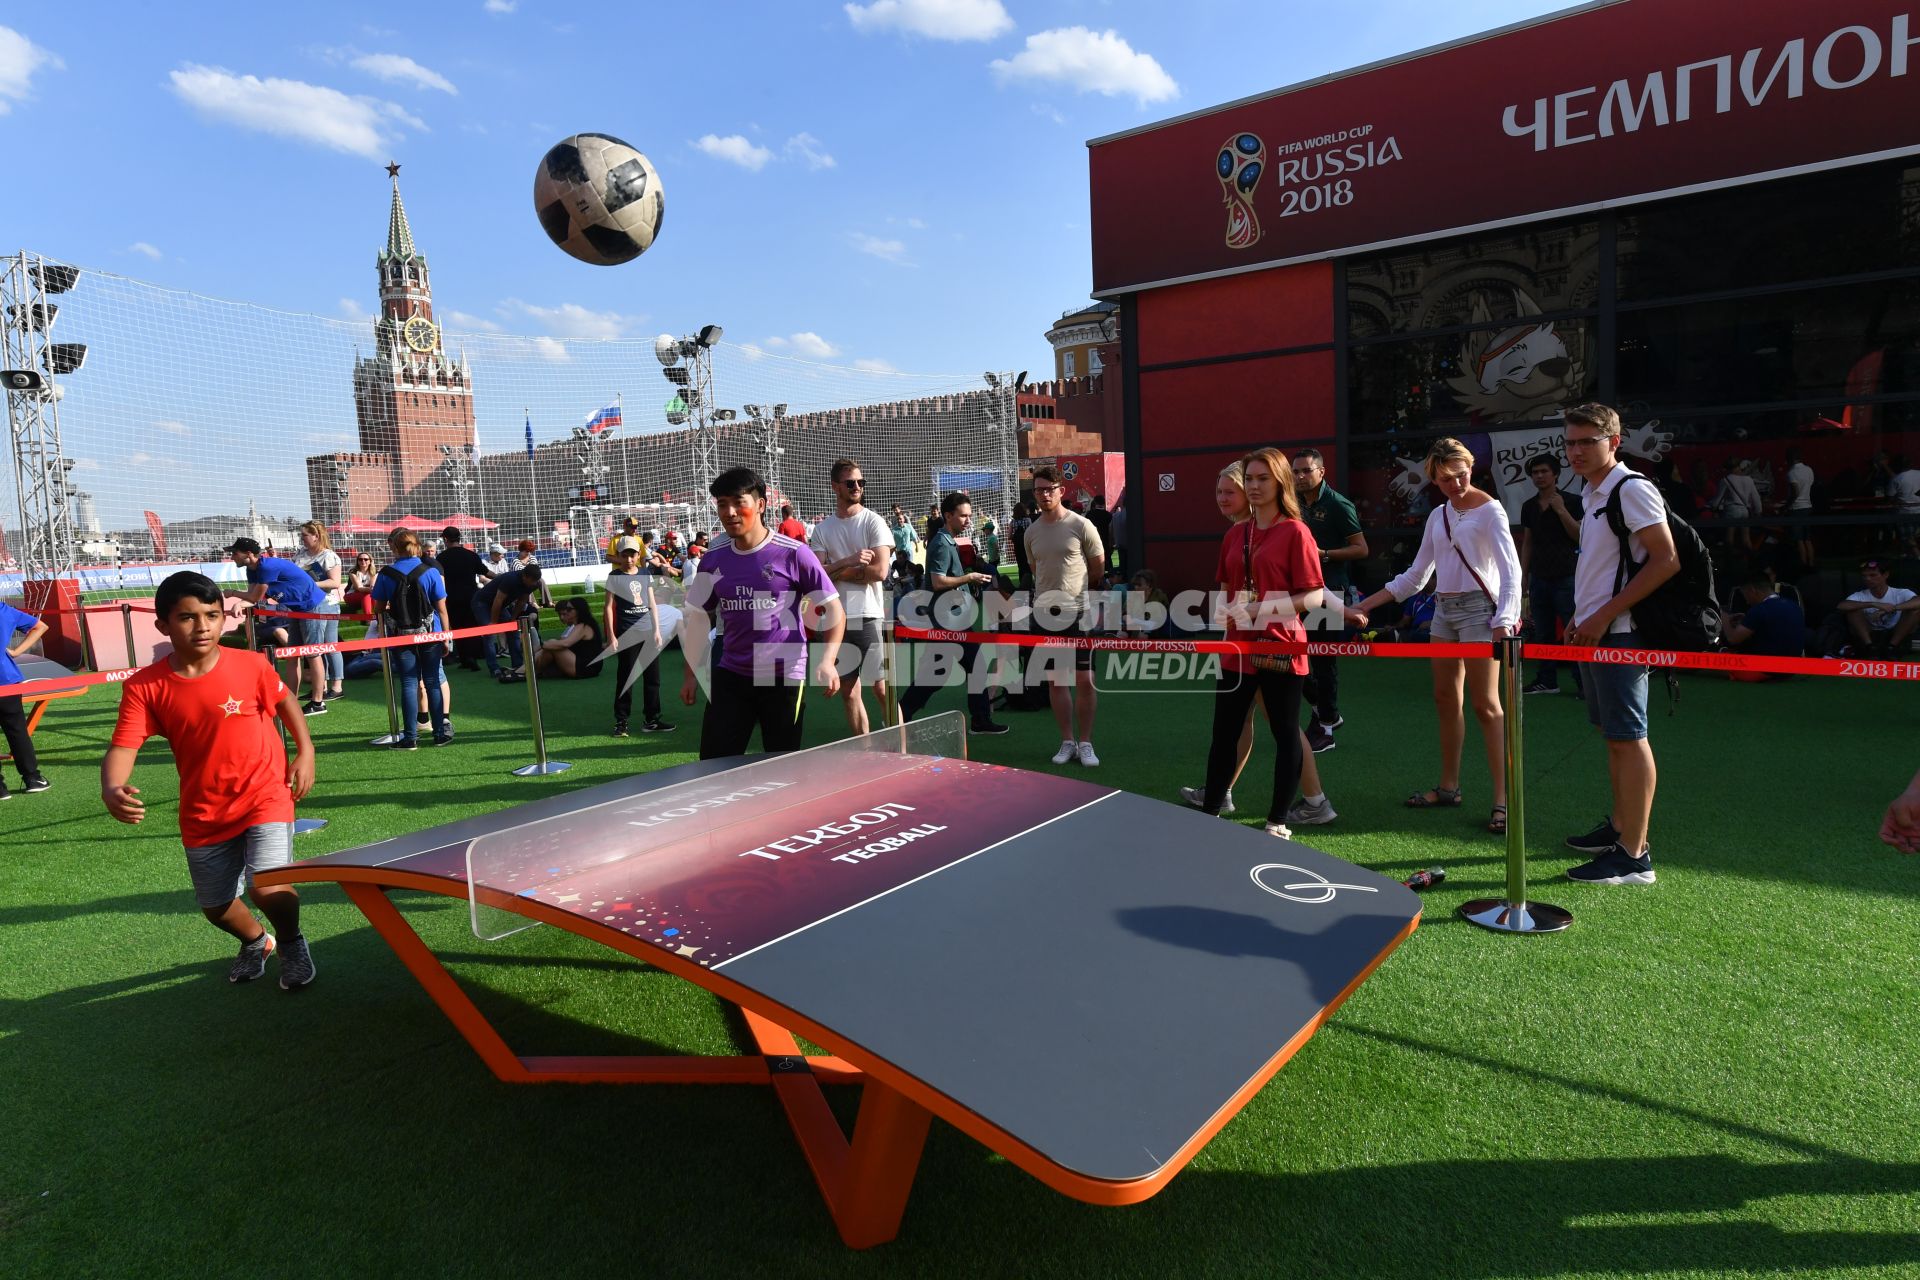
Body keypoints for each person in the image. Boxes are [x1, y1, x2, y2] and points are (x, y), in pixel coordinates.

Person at [101, 571, 317, 988]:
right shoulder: (144, 687)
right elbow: (124, 746)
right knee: (216, 906)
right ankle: (257, 941)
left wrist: (305, 752)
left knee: (267, 887)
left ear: (224, 619)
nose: (202, 626)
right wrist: (112, 786)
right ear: (163, 625)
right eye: (187, 617)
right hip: (204, 810)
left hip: (265, 795)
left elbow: (286, 699)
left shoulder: (251, 664)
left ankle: (291, 942)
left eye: (212, 615)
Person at [1352, 438, 1521, 836]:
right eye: (1445, 478)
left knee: (1487, 706)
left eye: (1460, 474)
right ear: (1434, 479)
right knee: (1446, 700)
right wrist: (1367, 605)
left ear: (1471, 466)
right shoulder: (1438, 516)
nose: (1455, 483)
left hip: (1482, 611)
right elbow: (1416, 576)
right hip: (1444, 611)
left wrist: (1505, 618)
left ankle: (1504, 800)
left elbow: (1511, 570)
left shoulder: (1491, 510)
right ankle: (1449, 787)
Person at [1559, 402, 1681, 886]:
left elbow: (1665, 559)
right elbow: (1602, 568)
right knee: (1614, 735)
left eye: (1587, 441)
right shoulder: (1593, 494)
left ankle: (1634, 855)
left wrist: (1605, 615)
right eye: (1570, 442)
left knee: (1630, 737)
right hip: (1599, 631)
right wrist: (1578, 615)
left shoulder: (1631, 489)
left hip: (1622, 633)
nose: (1576, 451)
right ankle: (1621, 827)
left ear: (1614, 441)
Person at [1179, 461, 1338, 826]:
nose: (1254, 485)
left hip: (1281, 644)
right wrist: (1224, 612)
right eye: (1249, 478)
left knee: (1285, 734)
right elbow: (1225, 586)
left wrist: (1261, 607)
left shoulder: (1296, 532)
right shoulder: (1236, 534)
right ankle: (1211, 811)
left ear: (1280, 481)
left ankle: (1277, 822)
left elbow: (1313, 596)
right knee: (1224, 734)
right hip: (1237, 647)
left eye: (1262, 478)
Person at [681, 467, 844, 758]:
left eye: (738, 502)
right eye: (722, 504)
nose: (729, 512)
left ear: (760, 505)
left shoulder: (794, 554)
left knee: (780, 766)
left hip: (783, 676)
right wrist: (691, 674)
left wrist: (829, 660)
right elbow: (697, 618)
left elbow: (833, 609)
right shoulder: (712, 560)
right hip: (731, 674)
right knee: (712, 766)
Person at [897, 491, 1010, 735]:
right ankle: (900, 714)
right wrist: (969, 577)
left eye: (969, 516)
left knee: (943, 672)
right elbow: (937, 582)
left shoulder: (947, 540)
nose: (968, 520)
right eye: (963, 516)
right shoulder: (941, 542)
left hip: (953, 618)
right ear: (948, 516)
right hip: (947, 620)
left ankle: (901, 714)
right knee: (945, 672)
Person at [1024, 464, 1106, 766]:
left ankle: (1086, 743)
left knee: (1085, 679)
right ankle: (1067, 741)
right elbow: (1037, 571)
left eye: (1049, 489)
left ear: (1061, 490)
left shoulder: (1082, 525)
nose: (1044, 494)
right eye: (1038, 490)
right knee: (1057, 681)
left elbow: (1098, 567)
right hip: (1046, 615)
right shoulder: (1031, 531)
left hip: (1079, 612)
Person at [1291, 448, 1367, 752]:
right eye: (1295, 472)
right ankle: (1328, 714)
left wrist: (1324, 555)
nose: (1299, 477)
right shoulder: (1292, 502)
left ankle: (1325, 729)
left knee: (1323, 661)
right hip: (1298, 593)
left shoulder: (1338, 504)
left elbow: (1361, 548)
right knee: (1290, 657)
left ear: (1321, 472)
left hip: (1331, 592)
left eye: (1306, 471)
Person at [812, 457, 894, 735]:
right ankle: (867, 751)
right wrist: (849, 561)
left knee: (882, 689)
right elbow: (816, 577)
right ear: (836, 487)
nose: (857, 486)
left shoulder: (873, 521)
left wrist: (835, 571)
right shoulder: (822, 529)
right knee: (848, 691)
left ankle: (904, 752)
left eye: (861, 482)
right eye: (850, 483)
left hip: (868, 615)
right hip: (835, 619)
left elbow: (880, 571)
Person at [224, 536, 328, 718]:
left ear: (248, 554)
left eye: (234, 553)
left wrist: (233, 595)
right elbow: (253, 597)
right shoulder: (252, 569)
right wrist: (240, 603)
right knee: (292, 654)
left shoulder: (266, 566)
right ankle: (291, 700)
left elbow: (254, 598)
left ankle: (318, 702)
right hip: (297, 609)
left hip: (313, 606)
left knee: (313, 653)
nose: (232, 557)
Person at [373, 527, 453, 749]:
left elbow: (378, 609)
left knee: (409, 683)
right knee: (432, 682)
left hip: (401, 635)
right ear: (417, 546)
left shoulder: (385, 574)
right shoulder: (430, 572)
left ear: (394, 547)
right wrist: (445, 637)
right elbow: (442, 609)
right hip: (430, 633)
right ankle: (439, 734)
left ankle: (410, 738)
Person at [1517, 454, 1585, 696]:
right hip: (1539, 577)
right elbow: (1528, 543)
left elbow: (1580, 536)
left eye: (1544, 471)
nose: (1539, 476)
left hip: (1567, 575)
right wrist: (1523, 576)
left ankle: (1584, 684)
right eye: (1535, 472)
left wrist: (1561, 510)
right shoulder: (1529, 506)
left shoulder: (1574, 501)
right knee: (1543, 631)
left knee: (1573, 631)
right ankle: (1547, 680)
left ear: (1555, 474)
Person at [603, 535, 671, 737]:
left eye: (632, 555)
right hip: (627, 633)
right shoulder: (614, 577)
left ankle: (652, 719)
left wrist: (657, 630)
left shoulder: (645, 573)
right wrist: (611, 636)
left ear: (638, 554)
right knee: (626, 678)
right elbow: (608, 608)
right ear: (619, 556)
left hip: (649, 631)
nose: (629, 559)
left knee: (653, 678)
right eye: (625, 555)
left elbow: (652, 604)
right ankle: (621, 722)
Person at [0, 599, 52, 799]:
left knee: (17, 730)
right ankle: (32, 778)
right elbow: (40, 626)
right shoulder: (4, 610)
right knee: (17, 731)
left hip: (7, 678)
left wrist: (15, 651)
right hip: (7, 679)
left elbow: (40, 626)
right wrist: (15, 652)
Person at [1720, 572, 1807, 678]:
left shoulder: (1759, 610)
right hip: (1790, 670)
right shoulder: (1793, 606)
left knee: (1719, 657)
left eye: (1745, 595)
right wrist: (1747, 619)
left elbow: (1732, 638)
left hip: (1763, 670)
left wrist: (1723, 616)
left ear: (1752, 590)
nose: (1746, 601)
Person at [296, 521, 346, 702]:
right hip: (306, 605)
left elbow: (335, 582)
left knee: (330, 645)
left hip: (327, 604)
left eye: (305, 535)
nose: (302, 538)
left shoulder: (329, 556)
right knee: (316, 647)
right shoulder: (301, 554)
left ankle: (337, 686)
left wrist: (310, 584)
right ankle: (320, 686)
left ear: (316, 536)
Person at [473, 563, 544, 682]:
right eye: (532, 581)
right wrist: (493, 622)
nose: (534, 583)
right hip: (482, 602)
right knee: (489, 634)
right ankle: (494, 668)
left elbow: (521, 602)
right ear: (524, 577)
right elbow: (498, 600)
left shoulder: (533, 583)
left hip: (500, 606)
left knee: (513, 631)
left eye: (535, 581)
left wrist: (513, 620)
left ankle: (518, 665)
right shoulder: (510, 579)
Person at [1837, 558, 1920, 657]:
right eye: (1864, 576)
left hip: (1895, 632)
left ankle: (1891, 648)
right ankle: (1870, 648)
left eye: (1873, 575)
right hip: (1871, 634)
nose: (1867, 579)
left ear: (1885, 575)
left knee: (1915, 610)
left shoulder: (1900, 593)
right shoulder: (1860, 595)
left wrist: (1893, 608)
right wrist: (1873, 604)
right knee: (1852, 610)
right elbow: (1841, 606)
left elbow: (1918, 601)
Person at [437, 527, 489, 671]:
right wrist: (501, 577)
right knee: (472, 627)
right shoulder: (471, 555)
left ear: (446, 539)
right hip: (471, 597)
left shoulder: (441, 558)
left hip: (452, 599)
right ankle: (473, 657)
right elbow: (485, 572)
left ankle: (465, 658)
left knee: (457, 628)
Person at [533, 597, 603, 679]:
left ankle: (525, 671)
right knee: (551, 647)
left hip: (585, 668)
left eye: (569, 609)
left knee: (553, 645)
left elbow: (565, 643)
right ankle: (526, 670)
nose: (566, 612)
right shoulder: (585, 624)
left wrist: (542, 645)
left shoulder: (583, 626)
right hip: (588, 666)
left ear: (578, 610)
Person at [1711, 459, 1763, 553]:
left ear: (1727, 469)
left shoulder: (1725, 480)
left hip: (1732, 511)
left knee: (1729, 540)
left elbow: (1718, 499)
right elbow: (1756, 498)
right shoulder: (1748, 479)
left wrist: (1713, 507)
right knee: (1746, 540)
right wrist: (1758, 512)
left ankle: (1732, 562)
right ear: (1738, 466)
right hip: (1744, 511)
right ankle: (1751, 561)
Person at [1783, 450, 1816, 566]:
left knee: (1799, 540)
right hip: (1808, 506)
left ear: (1790, 460)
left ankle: (1803, 564)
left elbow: (1795, 492)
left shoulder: (1791, 473)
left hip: (1796, 508)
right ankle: (1811, 564)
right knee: (1808, 539)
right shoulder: (1809, 470)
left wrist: (1786, 506)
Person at [342, 552, 376, 619]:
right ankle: (368, 619)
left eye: (365, 559)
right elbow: (359, 588)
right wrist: (374, 589)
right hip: (351, 595)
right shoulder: (353, 572)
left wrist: (373, 589)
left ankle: (381, 617)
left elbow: (372, 586)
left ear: (370, 561)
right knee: (367, 594)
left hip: (367, 594)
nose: (363, 561)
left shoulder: (374, 572)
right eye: (360, 559)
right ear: (357, 561)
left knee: (371, 595)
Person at [1011, 500, 1034, 591]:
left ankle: (1022, 585)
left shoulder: (1013, 522)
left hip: (1017, 547)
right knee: (1028, 564)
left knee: (1020, 565)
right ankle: (1029, 584)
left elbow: (1009, 536)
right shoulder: (1028, 520)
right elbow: (1032, 532)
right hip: (1027, 546)